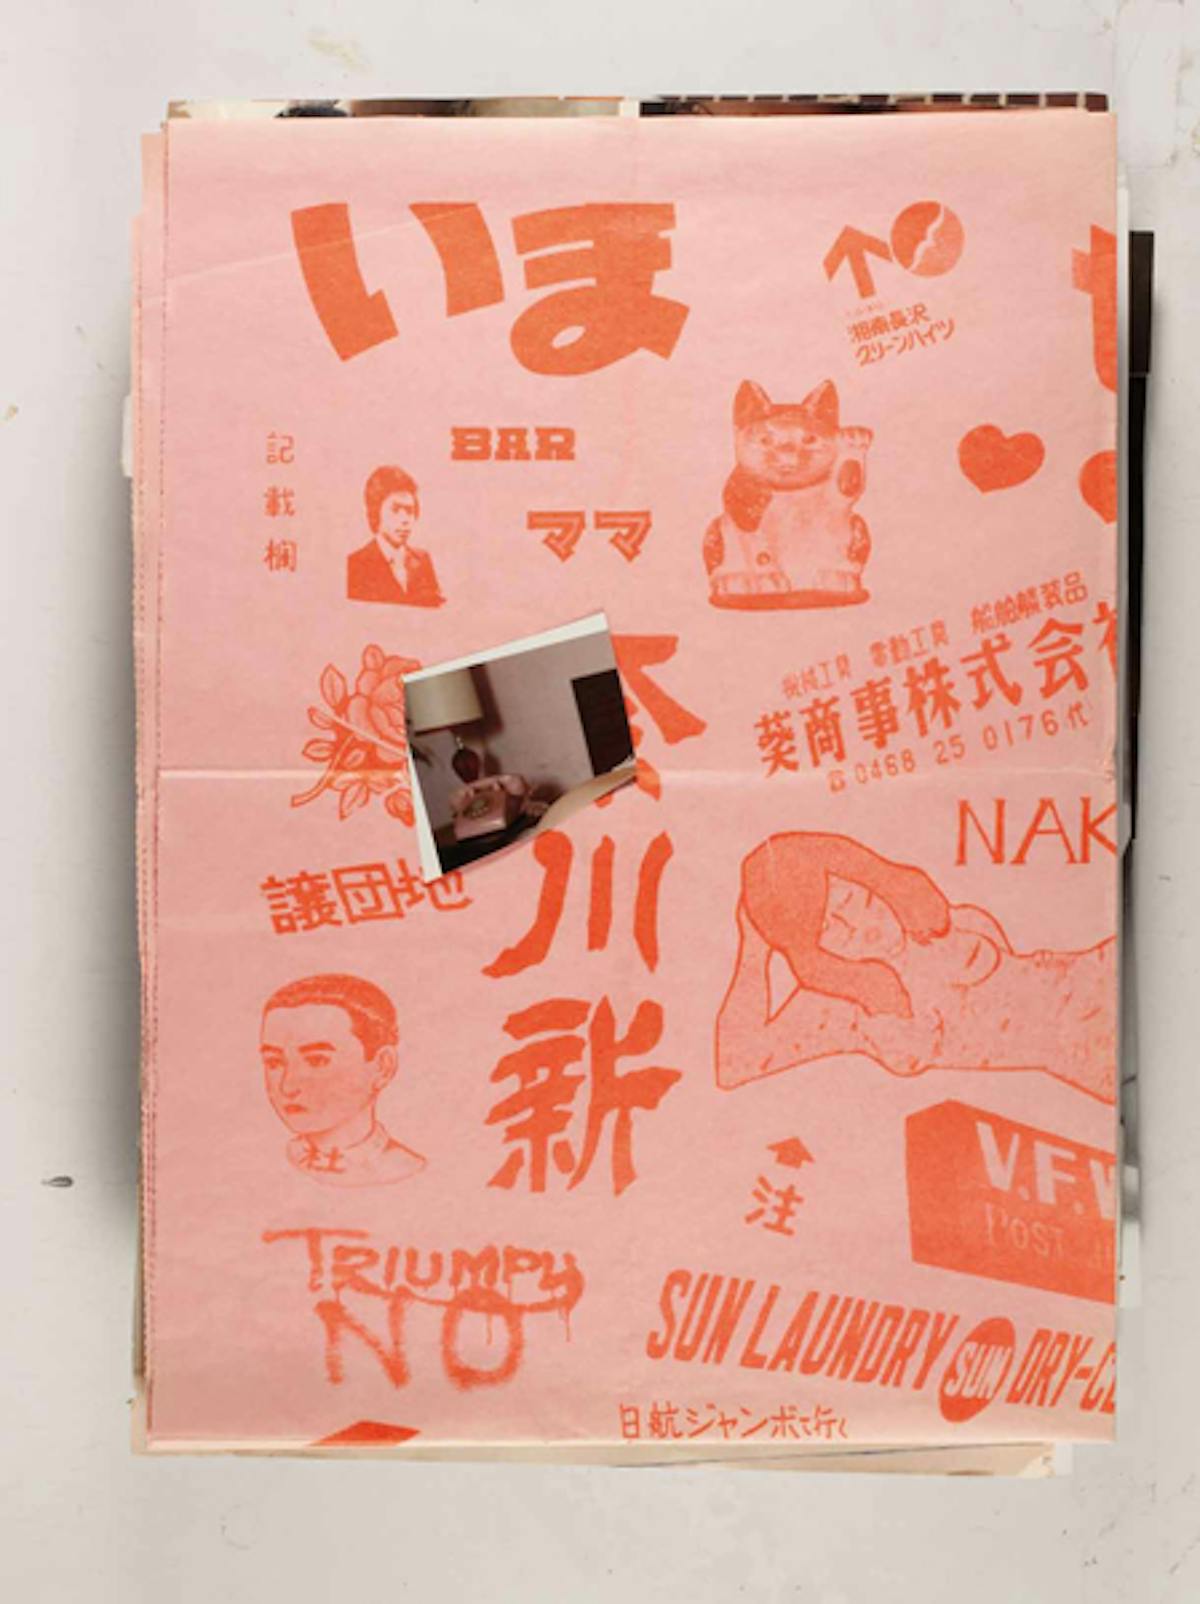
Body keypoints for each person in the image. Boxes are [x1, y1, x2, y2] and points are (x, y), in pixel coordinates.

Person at [715, 832, 1116, 1103]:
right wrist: (754, 948)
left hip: (1094, 973)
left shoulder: (932, 920)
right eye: (829, 929)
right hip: (1086, 1051)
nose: (860, 927)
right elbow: (735, 1064)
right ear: (809, 949)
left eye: (856, 901)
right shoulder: (842, 1007)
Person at [259, 973, 426, 1186]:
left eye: (317, 1061)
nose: (287, 1086)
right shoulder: (262, 1164)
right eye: (274, 1063)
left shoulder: (406, 1170)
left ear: (383, 1067)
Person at [347, 466, 445, 606]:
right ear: (376, 511)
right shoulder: (356, 564)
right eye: (395, 510)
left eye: (409, 511)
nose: (405, 520)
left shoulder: (422, 560)